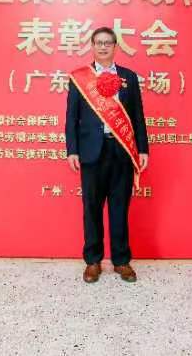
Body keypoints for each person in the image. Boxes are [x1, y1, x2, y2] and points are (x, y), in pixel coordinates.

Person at [65, 26, 149, 283]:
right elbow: (72, 118)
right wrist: (72, 150)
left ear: (115, 47)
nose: (103, 47)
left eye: (108, 43)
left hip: (121, 150)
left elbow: (138, 116)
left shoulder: (128, 77)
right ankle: (93, 261)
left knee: (120, 207)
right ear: (92, 46)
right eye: (98, 43)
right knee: (91, 207)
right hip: (91, 152)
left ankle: (121, 261)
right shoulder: (79, 78)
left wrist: (142, 149)